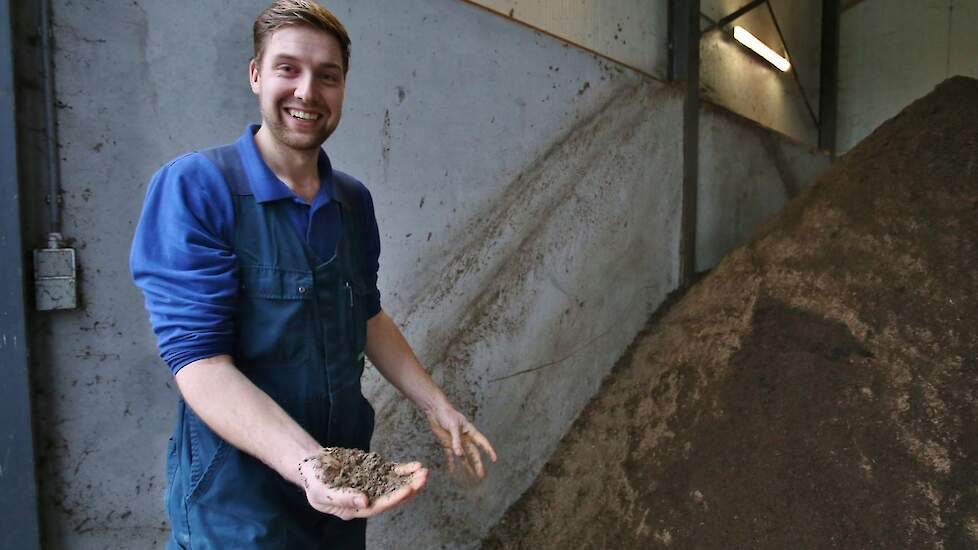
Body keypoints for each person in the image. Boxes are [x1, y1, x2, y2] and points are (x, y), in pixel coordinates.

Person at [129, 1, 496, 548]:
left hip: (341, 486)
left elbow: (365, 314)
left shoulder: (352, 201)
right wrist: (309, 465)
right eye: (288, 69)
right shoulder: (197, 187)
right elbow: (200, 365)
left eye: (328, 76)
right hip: (239, 502)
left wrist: (435, 404)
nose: (307, 91)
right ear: (255, 74)